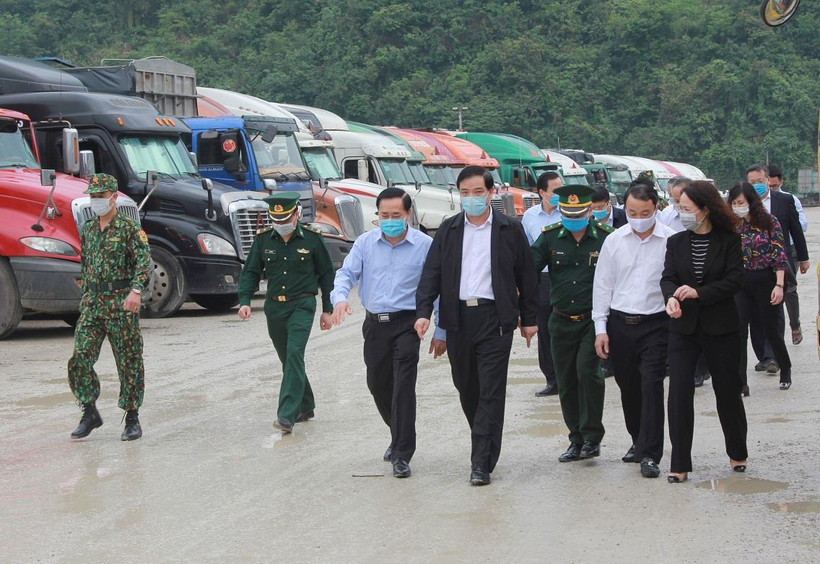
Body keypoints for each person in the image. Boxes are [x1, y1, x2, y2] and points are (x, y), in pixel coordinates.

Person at [415, 166, 539, 486]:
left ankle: (480, 461)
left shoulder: (510, 229)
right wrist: (424, 312)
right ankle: (485, 441)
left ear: (491, 193)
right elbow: (432, 273)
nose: (471, 198)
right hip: (458, 319)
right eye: (465, 193)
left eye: (478, 192)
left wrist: (529, 319)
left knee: (491, 391)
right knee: (467, 387)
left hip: (495, 319)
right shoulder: (449, 229)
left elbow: (527, 276)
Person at [330, 188, 445, 479]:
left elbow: (437, 288)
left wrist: (440, 327)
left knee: (403, 385)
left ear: (408, 215)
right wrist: (340, 299)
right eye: (384, 215)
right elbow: (346, 274)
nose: (390, 220)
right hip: (375, 324)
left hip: (408, 323)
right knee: (378, 384)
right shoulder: (366, 243)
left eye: (396, 215)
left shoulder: (424, 245)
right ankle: (397, 433)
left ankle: (402, 453)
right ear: (377, 216)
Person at [661, 181, 747, 483]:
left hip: (721, 327)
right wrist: (671, 297)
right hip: (683, 328)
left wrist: (699, 293)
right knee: (679, 393)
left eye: (687, 209)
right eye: (679, 208)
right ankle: (679, 462)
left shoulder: (729, 241)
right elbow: (668, 278)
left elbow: (735, 281)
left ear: (705, 209)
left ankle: (737, 451)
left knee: (727, 392)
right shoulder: (676, 242)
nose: (682, 214)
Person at [593, 181, 675, 478]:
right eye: (631, 211)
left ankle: (651, 453)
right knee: (628, 387)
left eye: (645, 212)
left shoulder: (671, 240)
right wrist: (600, 328)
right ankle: (637, 441)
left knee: (651, 384)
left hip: (656, 324)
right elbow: (602, 286)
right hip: (620, 324)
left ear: (656, 209)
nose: (638, 217)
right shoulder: (614, 241)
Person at [237, 192, 334, 434]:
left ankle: (286, 416)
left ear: (296, 214)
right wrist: (245, 300)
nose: (281, 224)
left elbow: (326, 274)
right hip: (274, 307)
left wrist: (328, 309)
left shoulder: (312, 239)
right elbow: (251, 271)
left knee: (293, 354)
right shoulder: (263, 240)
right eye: (276, 220)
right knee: (288, 359)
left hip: (302, 305)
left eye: (285, 219)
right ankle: (306, 404)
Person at [531, 184, 614, 464]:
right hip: (561, 319)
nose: (572, 216)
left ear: (590, 210)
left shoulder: (606, 238)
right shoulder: (550, 238)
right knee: (565, 379)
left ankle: (592, 437)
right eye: (567, 211)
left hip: (593, 319)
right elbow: (527, 268)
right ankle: (575, 439)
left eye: (578, 212)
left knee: (587, 372)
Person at [67, 173, 151, 441]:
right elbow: (86, 265)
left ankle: (132, 416)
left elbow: (143, 261)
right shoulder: (89, 228)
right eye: (92, 196)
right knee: (80, 358)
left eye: (101, 196)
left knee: (128, 362)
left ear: (113, 197)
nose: (95, 201)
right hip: (93, 304)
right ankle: (89, 410)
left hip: (120, 302)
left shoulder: (129, 228)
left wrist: (135, 291)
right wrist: (85, 295)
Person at [728, 182, 791, 393]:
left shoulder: (769, 222)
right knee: (738, 333)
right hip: (740, 283)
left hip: (766, 279)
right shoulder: (732, 225)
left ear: (751, 202)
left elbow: (779, 255)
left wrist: (779, 285)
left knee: (770, 330)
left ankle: (786, 369)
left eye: (741, 203)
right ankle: (740, 381)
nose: (738, 206)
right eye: (734, 203)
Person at [746, 164, 810, 374]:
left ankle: (772, 353)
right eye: (752, 182)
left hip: (778, 263)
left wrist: (803, 258)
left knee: (775, 308)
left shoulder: (784, 200)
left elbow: (795, 230)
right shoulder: (742, 204)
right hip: (751, 268)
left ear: (768, 180)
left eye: (759, 181)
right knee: (755, 313)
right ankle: (763, 355)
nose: (756, 186)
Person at [658, 176, 711, 388]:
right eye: (675, 200)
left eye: (683, 202)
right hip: (680, 279)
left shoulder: (723, 238)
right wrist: (670, 295)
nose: (679, 207)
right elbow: (667, 275)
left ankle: (702, 369)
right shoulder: (668, 216)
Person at [521, 171, 562, 397]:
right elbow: (527, 253)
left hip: (564, 277)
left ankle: (570, 377)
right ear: (542, 192)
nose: (560, 195)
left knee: (564, 329)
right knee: (545, 330)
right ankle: (552, 378)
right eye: (555, 191)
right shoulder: (530, 217)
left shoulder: (569, 213)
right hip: (542, 280)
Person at [767, 164, 808, 345]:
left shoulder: (788, 199)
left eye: (774, 186)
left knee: (789, 289)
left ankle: (795, 324)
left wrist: (803, 257)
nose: (771, 189)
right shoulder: (754, 202)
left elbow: (801, 226)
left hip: (788, 249)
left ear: (780, 182)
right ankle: (773, 338)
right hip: (764, 253)